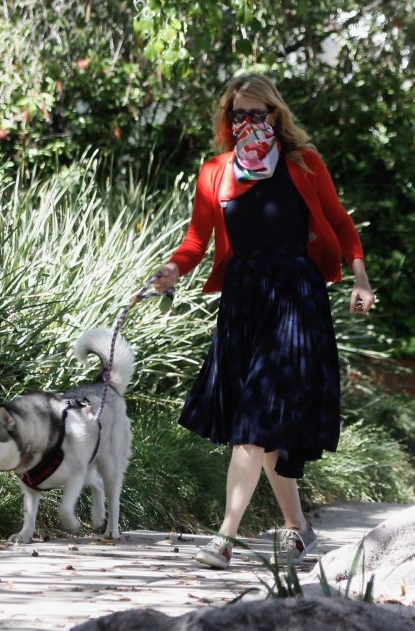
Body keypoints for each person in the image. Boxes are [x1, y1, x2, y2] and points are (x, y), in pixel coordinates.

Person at [154, 73, 375, 570]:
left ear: (275, 115)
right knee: (264, 426)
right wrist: (172, 270)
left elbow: (340, 223)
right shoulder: (215, 172)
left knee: (254, 422)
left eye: (257, 114)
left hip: (296, 300)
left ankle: (224, 540)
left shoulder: (303, 164)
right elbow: (196, 240)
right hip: (244, 304)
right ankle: (299, 530)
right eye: (238, 114)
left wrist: (359, 277)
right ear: (227, 117)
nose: (247, 123)